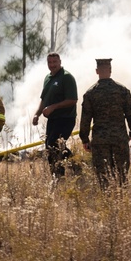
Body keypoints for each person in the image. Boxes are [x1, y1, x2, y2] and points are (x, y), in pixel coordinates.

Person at [79, 58, 131, 187]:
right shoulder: (122, 91)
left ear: (96, 71)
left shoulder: (90, 94)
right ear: (110, 70)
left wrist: (85, 139)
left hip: (100, 141)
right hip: (120, 139)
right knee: (121, 176)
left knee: (103, 177)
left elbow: (85, 120)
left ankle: (107, 202)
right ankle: (121, 202)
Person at [32, 52, 79, 180]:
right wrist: (37, 114)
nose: (52, 65)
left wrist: (53, 107)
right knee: (50, 147)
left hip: (66, 118)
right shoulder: (48, 78)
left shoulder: (67, 77)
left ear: (60, 62)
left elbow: (73, 99)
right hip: (52, 120)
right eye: (50, 62)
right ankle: (57, 176)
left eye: (54, 62)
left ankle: (75, 166)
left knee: (54, 144)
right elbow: (44, 99)